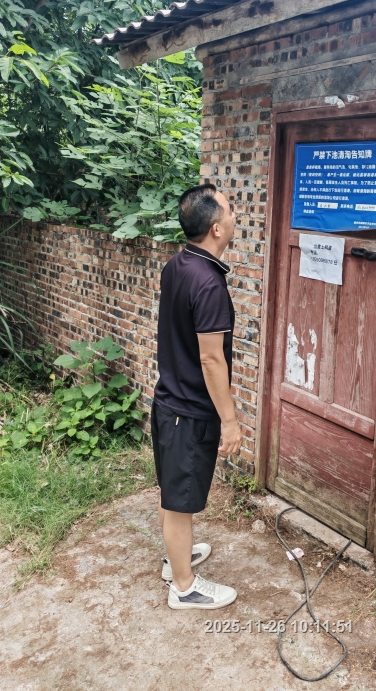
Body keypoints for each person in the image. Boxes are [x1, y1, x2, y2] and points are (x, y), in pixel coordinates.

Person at [151, 183, 243, 610]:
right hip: (187, 412)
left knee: (173, 493)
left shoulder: (179, 264)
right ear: (216, 229)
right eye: (229, 209)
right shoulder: (208, 284)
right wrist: (230, 420)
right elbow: (211, 359)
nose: (234, 214)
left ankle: (177, 560)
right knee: (179, 501)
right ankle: (184, 587)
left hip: (169, 402)